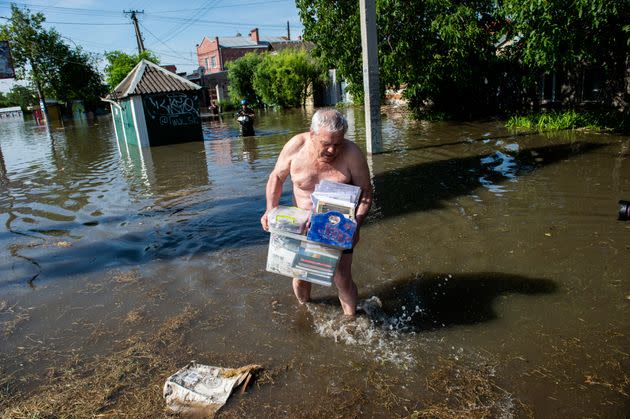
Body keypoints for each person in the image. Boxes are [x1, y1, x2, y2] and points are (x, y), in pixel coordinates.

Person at [260, 109, 373, 316]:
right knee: (301, 274)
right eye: (326, 143)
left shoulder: (352, 153)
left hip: (339, 225)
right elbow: (276, 177)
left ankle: (351, 322)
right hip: (302, 224)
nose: (332, 150)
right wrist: (270, 210)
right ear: (312, 134)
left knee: (342, 278)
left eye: (337, 143)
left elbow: (366, 193)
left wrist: (357, 223)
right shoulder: (295, 147)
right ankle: (306, 310)